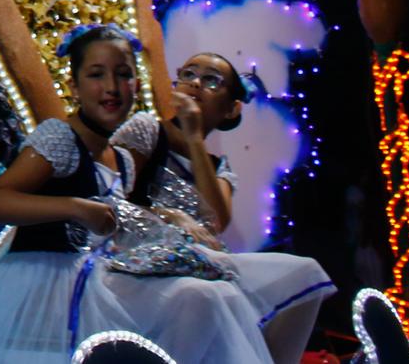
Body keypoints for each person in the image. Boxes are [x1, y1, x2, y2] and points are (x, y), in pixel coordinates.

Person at [0, 24, 274, 364]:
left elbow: (131, 220)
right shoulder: (59, 138)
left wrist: (165, 223)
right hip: (40, 286)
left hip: (93, 282)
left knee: (209, 297)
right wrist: (74, 207)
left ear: (137, 83)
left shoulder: (121, 160)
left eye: (123, 75)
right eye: (96, 75)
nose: (112, 88)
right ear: (74, 85)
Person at [114, 55, 335, 364]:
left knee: (307, 272)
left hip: (202, 260)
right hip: (139, 258)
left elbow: (214, 222)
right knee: (214, 295)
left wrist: (193, 137)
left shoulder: (220, 167)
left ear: (230, 108)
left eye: (211, 80)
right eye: (188, 73)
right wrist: (168, 215)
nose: (195, 83)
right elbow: (110, 197)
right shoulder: (147, 129)